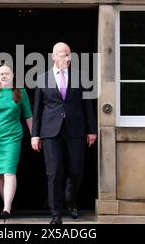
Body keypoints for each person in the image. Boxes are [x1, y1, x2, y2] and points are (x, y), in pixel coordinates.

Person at [31, 42, 97, 224]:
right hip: (50, 131)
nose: (67, 58)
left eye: (68, 55)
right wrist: (35, 135)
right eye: (62, 55)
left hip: (76, 129)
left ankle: (70, 197)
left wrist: (92, 130)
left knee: (76, 170)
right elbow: (37, 109)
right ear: (53, 56)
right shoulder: (42, 78)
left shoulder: (79, 76)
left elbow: (88, 105)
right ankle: (56, 214)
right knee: (54, 172)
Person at [0, 64, 33, 222]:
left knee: (9, 171)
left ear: (13, 75)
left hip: (13, 137)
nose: (3, 76)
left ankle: (6, 208)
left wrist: (34, 136)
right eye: (1, 74)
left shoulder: (20, 93)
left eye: (6, 73)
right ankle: (7, 203)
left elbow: (29, 117)